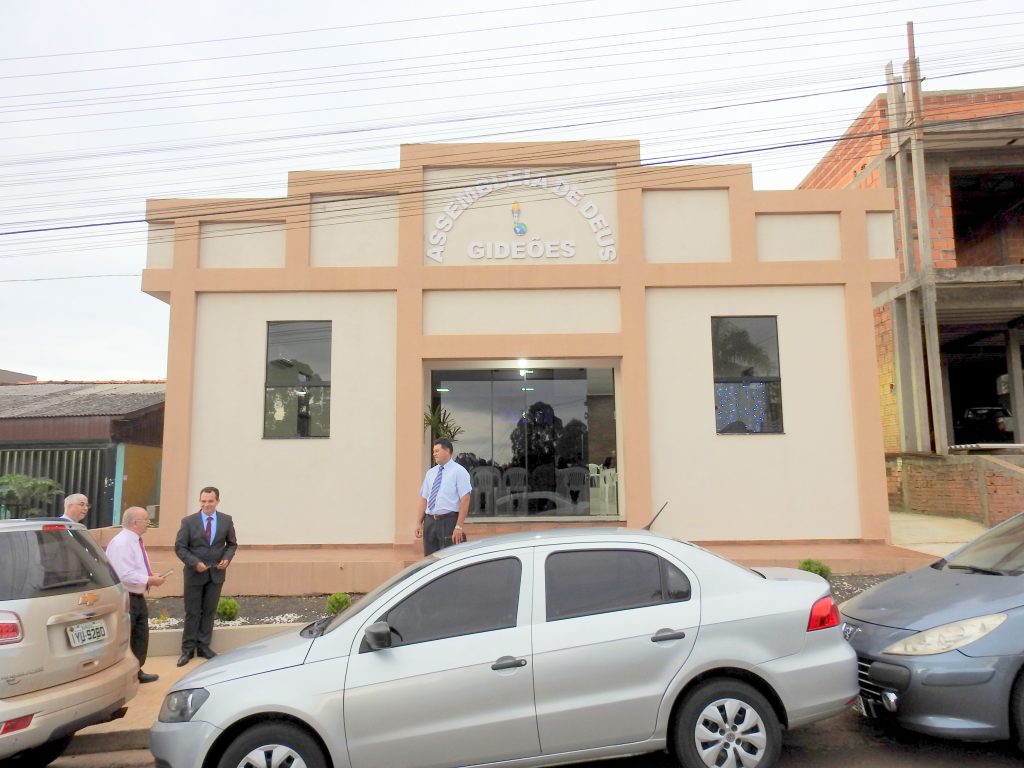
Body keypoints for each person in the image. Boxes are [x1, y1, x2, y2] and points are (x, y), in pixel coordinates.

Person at [174, 486, 237, 667]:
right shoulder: (188, 522)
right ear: (199, 501)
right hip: (194, 574)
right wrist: (195, 563)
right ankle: (187, 650)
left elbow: (232, 544)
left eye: (210, 501)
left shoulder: (226, 520)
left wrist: (226, 558)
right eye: (203, 501)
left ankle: (204, 646)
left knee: (209, 611)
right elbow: (180, 547)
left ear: (217, 501)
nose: (206, 504)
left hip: (216, 574)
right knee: (192, 612)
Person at [105, 507, 165, 683]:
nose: (149, 522)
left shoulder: (135, 540)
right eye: (146, 519)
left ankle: (136, 671)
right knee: (127, 637)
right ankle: (124, 676)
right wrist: (149, 580)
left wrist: (150, 578)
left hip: (137, 595)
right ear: (135, 522)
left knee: (140, 635)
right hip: (126, 597)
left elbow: (135, 567)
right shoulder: (121, 543)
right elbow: (123, 574)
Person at [414, 437, 471, 556]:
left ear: (448, 451)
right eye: (433, 451)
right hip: (430, 521)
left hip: (448, 521)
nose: (434, 454)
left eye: (437, 451)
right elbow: (424, 498)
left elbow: (465, 499)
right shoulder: (430, 473)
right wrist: (419, 522)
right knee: (430, 559)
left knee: (450, 558)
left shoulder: (459, 472)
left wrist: (459, 526)